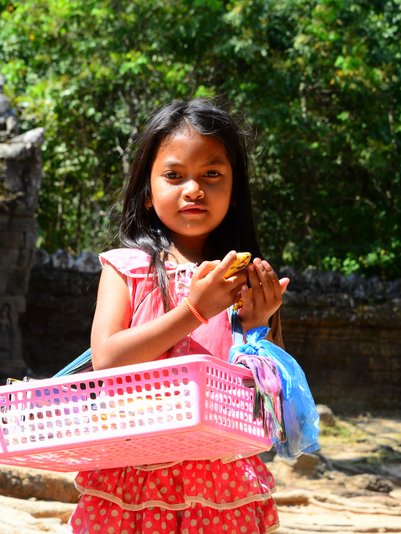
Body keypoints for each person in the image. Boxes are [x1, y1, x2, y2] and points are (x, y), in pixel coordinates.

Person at [68, 99, 289, 533]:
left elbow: (271, 404)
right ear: (148, 193)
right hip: (133, 473)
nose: (194, 189)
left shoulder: (247, 278)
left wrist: (259, 329)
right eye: (174, 175)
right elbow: (108, 359)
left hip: (223, 481)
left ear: (234, 189)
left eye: (212, 174)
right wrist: (195, 309)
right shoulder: (125, 268)